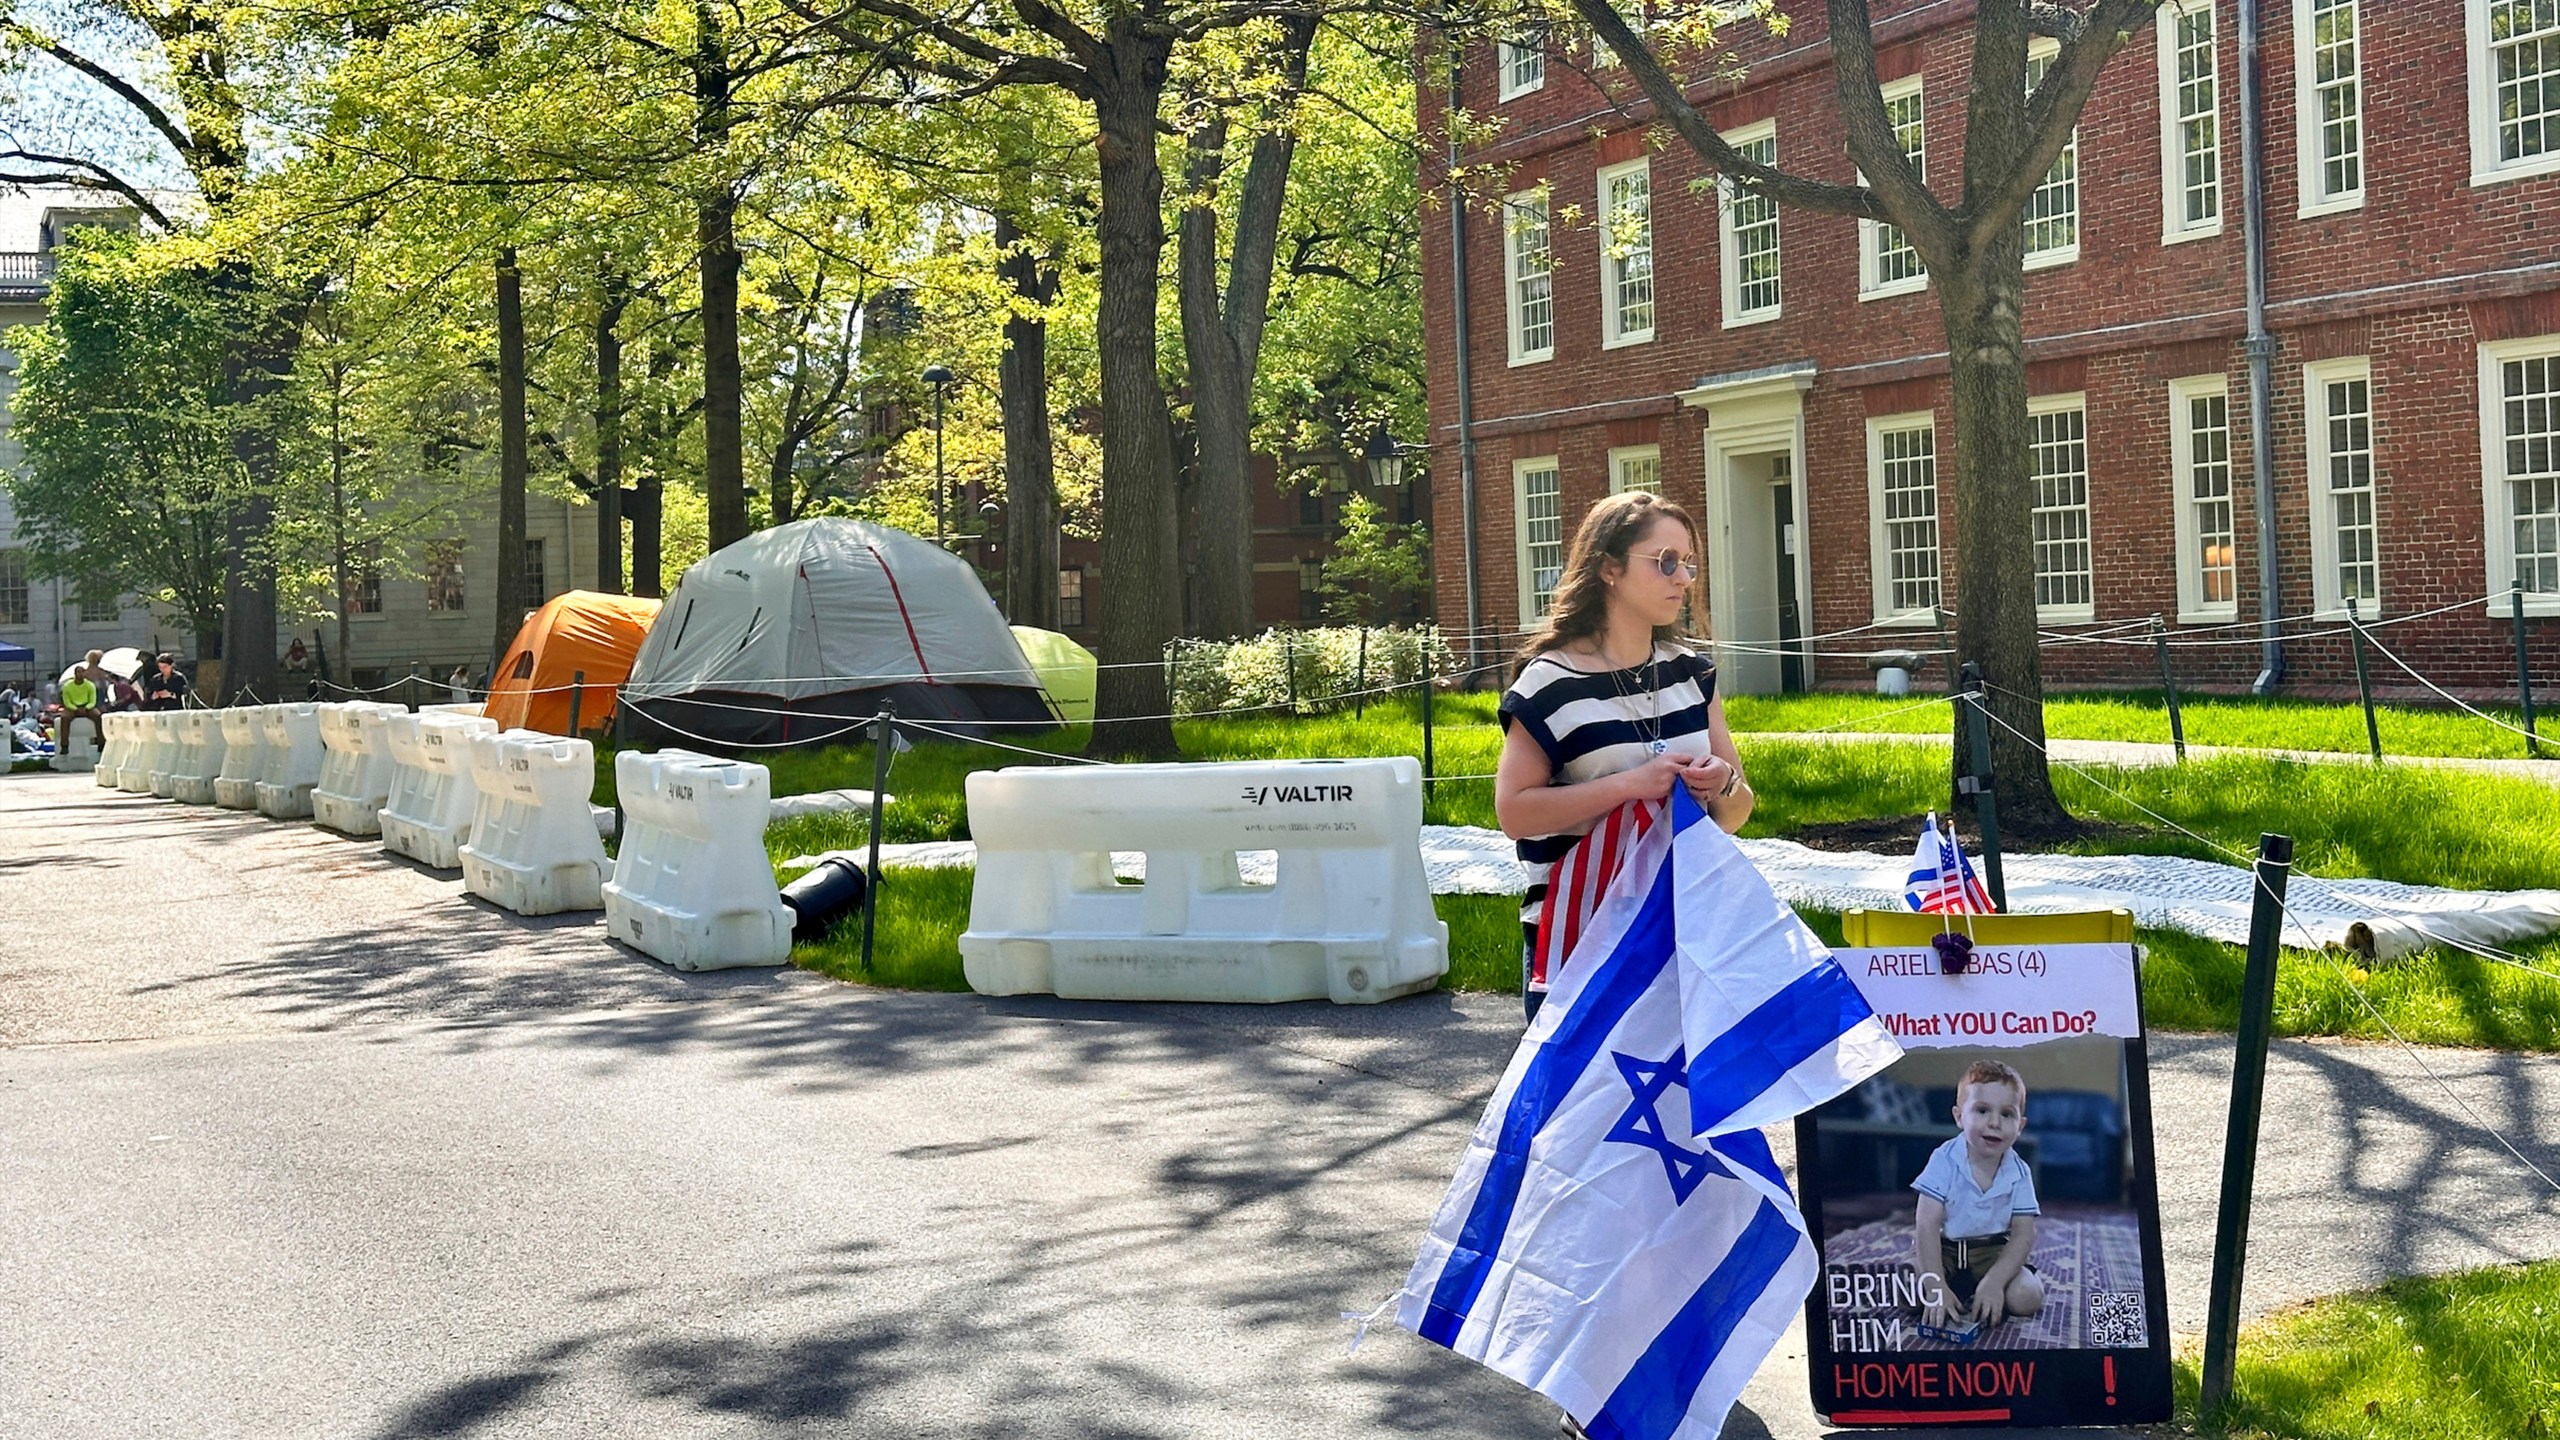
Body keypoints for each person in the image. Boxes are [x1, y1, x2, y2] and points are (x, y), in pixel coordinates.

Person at [1492, 490, 1753, 1022]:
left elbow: (1736, 814)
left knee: (1676, 1105)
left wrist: (1723, 782)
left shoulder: (1692, 673)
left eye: (1689, 564)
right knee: (1577, 1105)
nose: (1683, 579)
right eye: (1666, 562)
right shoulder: (1549, 683)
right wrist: (1631, 785)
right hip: (1582, 937)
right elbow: (1514, 812)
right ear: (1609, 568)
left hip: (1680, 936)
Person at [1909, 1059, 2046, 1334]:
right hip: (1944, 1250)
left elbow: (2023, 1235)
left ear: (2020, 1126)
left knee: (2027, 1297)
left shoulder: (2019, 1171)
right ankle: (1944, 1288)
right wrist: (1934, 1284)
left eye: (2007, 1114)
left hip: (1991, 1252)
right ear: (1959, 1117)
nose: (1994, 1123)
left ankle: (1982, 1292)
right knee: (1907, 1292)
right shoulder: (1943, 1160)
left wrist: (1995, 1281)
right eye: (1982, 1110)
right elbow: (1926, 1225)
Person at [56, 659, 102, 753]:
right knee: (64, 718)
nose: (80, 674)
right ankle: (64, 746)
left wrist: (87, 708)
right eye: (78, 672)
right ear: (75, 674)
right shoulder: (67, 686)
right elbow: (66, 701)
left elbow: (93, 700)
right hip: (72, 707)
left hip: (87, 706)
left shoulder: (90, 685)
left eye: (82, 672)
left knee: (98, 716)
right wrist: (75, 709)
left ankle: (101, 742)